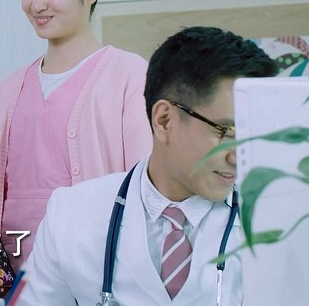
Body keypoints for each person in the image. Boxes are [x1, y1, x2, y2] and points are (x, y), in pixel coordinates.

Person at [18, 26, 278, 305]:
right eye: (226, 132)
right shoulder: (70, 215)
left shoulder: (279, 222)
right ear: (164, 120)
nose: (239, 156)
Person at [0, 0, 152, 270]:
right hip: (14, 277)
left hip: (96, 274)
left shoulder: (129, 76)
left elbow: (146, 191)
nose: (36, 4)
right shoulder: (3, 94)